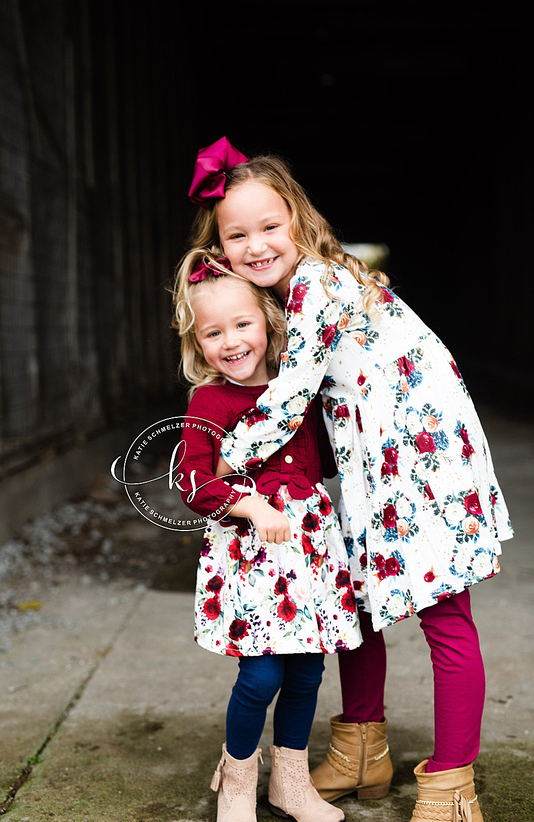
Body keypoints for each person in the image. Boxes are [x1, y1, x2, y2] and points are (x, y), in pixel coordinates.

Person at [182, 136, 513, 822]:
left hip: (421, 458)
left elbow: (291, 394)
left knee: (443, 611)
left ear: (299, 220)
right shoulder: (290, 292)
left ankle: (452, 785)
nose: (257, 244)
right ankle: (362, 751)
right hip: (374, 463)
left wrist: (224, 459)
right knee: (361, 601)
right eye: (236, 234)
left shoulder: (321, 284)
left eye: (270, 226)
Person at [173, 263, 357, 822]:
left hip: (305, 551)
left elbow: (323, 463)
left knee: (306, 669)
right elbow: (192, 481)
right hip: (249, 556)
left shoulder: (296, 393)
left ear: (269, 325)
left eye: (242, 325)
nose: (231, 342)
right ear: (197, 343)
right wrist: (251, 504)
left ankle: (292, 785)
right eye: (213, 333)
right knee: (261, 673)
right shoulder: (209, 403)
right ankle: (236, 780)